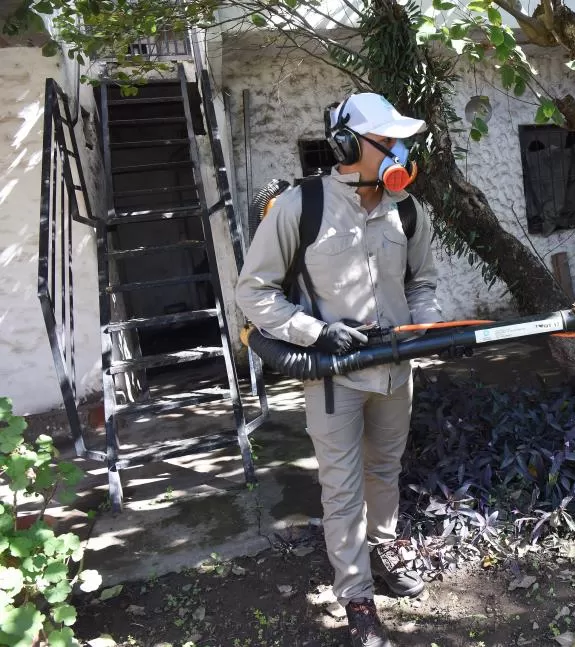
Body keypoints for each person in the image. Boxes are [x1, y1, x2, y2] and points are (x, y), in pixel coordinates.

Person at [235, 92, 443, 647]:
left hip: (396, 372)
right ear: (350, 145)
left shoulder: (409, 209)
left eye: (403, 140)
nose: (402, 150)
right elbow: (253, 293)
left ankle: (386, 546)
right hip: (333, 378)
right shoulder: (300, 208)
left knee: (386, 470)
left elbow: (423, 282)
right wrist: (314, 331)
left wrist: (424, 329)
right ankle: (355, 594)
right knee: (342, 487)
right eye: (390, 141)